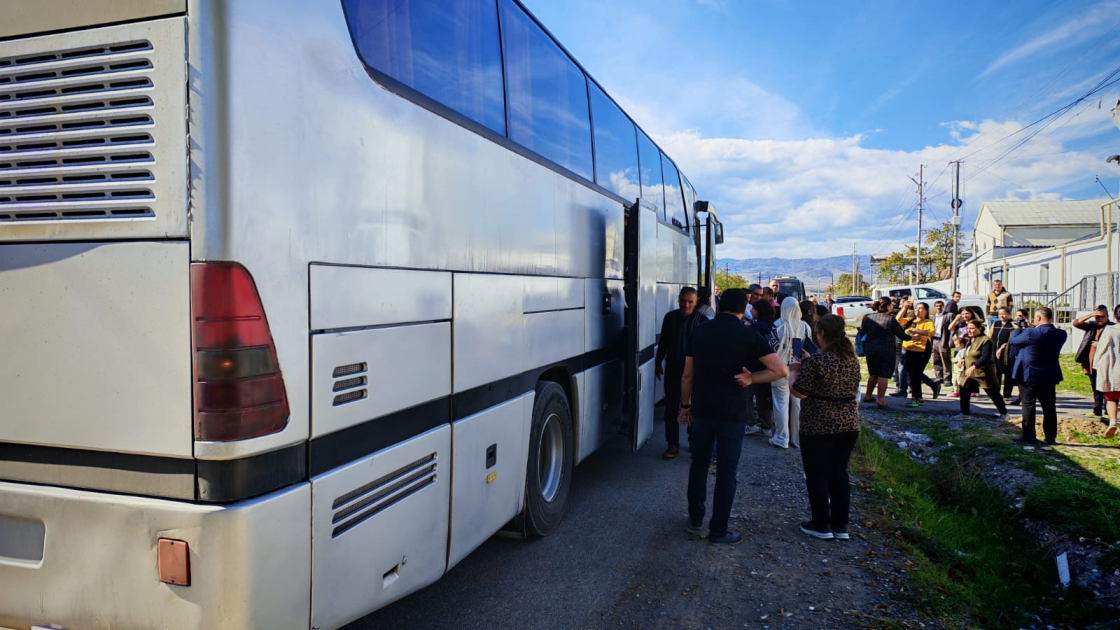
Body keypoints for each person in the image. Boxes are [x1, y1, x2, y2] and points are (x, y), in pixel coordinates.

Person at [678, 288, 787, 545]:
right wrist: (752, 378)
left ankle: (695, 519)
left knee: (699, 465)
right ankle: (718, 531)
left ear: (719, 305)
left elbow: (687, 375)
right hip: (732, 413)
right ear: (744, 307)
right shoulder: (748, 334)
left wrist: (685, 406)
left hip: (702, 410)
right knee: (727, 471)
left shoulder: (699, 330)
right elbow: (780, 370)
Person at [790, 315, 862, 540]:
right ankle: (840, 525)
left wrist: (793, 372)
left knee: (817, 475)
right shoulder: (852, 359)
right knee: (839, 474)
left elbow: (800, 391)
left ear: (821, 335)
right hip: (849, 423)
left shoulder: (816, 362)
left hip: (818, 426)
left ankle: (820, 523)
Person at [655, 287, 702, 459]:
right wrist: (658, 362)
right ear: (678, 300)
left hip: (693, 371)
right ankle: (672, 444)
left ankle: (693, 440)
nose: (686, 305)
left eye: (690, 301)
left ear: (696, 302)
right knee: (671, 408)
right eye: (683, 301)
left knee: (693, 407)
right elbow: (664, 341)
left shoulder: (702, 320)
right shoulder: (670, 317)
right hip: (673, 368)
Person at [1010, 306, 1067, 444]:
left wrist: (1018, 328)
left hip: (1029, 374)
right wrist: (1030, 327)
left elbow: (1014, 340)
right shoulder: (1061, 334)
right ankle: (1050, 436)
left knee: (1028, 405)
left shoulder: (1031, 333)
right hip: (1049, 375)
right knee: (1049, 407)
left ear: (1039, 318)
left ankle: (1029, 435)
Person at [770, 297, 813, 448]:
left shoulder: (778, 326)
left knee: (780, 403)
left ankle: (781, 438)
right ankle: (798, 439)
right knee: (798, 404)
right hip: (799, 370)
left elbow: (773, 349)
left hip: (780, 370)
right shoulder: (805, 327)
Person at [952, 320, 1008, 420]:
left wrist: (974, 366)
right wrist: (963, 360)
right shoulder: (970, 340)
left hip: (983, 371)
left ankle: (1004, 413)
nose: (969, 330)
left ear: (979, 328)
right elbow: (970, 353)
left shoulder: (986, 340)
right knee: (964, 390)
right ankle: (965, 413)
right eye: (968, 328)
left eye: (972, 328)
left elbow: (985, 357)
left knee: (992, 392)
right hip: (969, 372)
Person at [859, 297, 910, 407]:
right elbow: (901, 335)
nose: (892, 306)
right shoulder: (890, 319)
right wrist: (912, 337)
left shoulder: (869, 318)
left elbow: (862, 332)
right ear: (887, 306)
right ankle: (881, 399)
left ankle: (868, 395)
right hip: (886, 349)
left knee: (873, 373)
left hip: (871, 349)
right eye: (891, 304)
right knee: (883, 374)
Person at [1073, 305, 1112, 419]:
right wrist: (1091, 314)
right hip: (1091, 362)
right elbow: (1076, 323)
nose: (1099, 319)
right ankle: (1097, 410)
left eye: (1101, 317)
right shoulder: (1092, 326)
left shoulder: (1112, 327)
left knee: (1106, 388)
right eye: (1097, 317)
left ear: (1107, 316)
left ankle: (1108, 411)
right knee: (1095, 387)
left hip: (1106, 362)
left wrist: (1098, 345)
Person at [745, 299, 777, 437]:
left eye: (753, 309)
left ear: (759, 311)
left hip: (754, 366)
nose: (751, 311)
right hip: (767, 366)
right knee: (763, 397)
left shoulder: (756, 328)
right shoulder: (771, 325)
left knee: (747, 395)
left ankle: (751, 423)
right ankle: (766, 426)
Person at [898, 301, 940, 405]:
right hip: (909, 349)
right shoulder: (911, 320)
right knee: (912, 374)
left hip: (922, 351)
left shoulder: (928, 322)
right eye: (916, 308)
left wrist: (917, 331)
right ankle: (919, 397)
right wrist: (904, 308)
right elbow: (897, 321)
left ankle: (915, 398)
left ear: (926, 311)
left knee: (916, 374)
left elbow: (931, 332)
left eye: (921, 308)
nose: (918, 310)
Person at [1091, 305, 1120, 439]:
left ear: (1115, 316)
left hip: (1114, 370)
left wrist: (1096, 365)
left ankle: (1113, 421)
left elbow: (1101, 349)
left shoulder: (1110, 330)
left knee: (1111, 398)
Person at [988, 307, 1017, 404]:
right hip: (994, 352)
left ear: (1009, 314)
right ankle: (996, 393)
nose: (1002, 316)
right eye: (1000, 314)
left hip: (1007, 353)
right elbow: (990, 336)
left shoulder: (1012, 324)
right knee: (996, 374)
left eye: (1004, 313)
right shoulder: (996, 324)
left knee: (1008, 374)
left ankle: (1007, 394)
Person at [931, 300, 952, 384]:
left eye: (940, 305)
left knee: (945, 359)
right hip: (935, 340)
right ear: (935, 307)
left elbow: (952, 329)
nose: (939, 307)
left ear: (943, 306)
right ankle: (939, 377)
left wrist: (950, 340)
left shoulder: (948, 315)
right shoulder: (933, 317)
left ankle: (947, 378)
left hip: (944, 340)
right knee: (936, 359)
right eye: (937, 306)